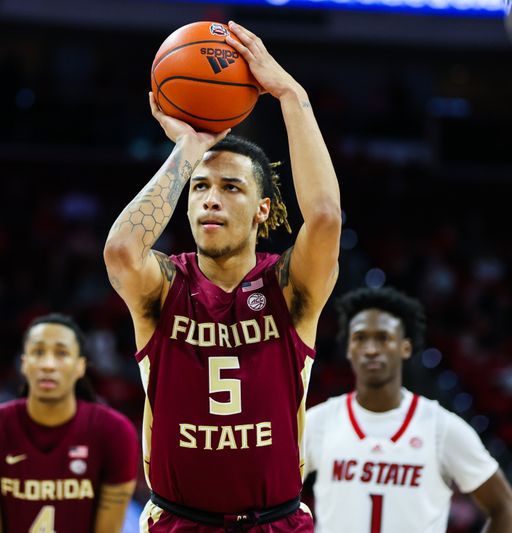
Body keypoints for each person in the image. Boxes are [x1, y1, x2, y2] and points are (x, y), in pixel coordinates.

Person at [103, 20, 341, 533]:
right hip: (179, 522)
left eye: (231, 187)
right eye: (200, 188)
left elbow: (323, 218)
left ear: (262, 209)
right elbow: (121, 249)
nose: (210, 197)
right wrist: (188, 151)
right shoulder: (165, 285)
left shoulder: (289, 287)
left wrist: (291, 95)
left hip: (275, 522)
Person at [304, 287, 512, 533]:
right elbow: (272, 498)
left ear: (405, 347)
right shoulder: (318, 421)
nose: (371, 349)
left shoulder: (441, 427)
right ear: (349, 348)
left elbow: (503, 505)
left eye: (383, 338)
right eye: (360, 338)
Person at [0, 313, 140, 533]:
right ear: (24, 364)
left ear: (80, 367)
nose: (48, 365)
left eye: (61, 353)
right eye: (38, 352)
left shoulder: (115, 432)